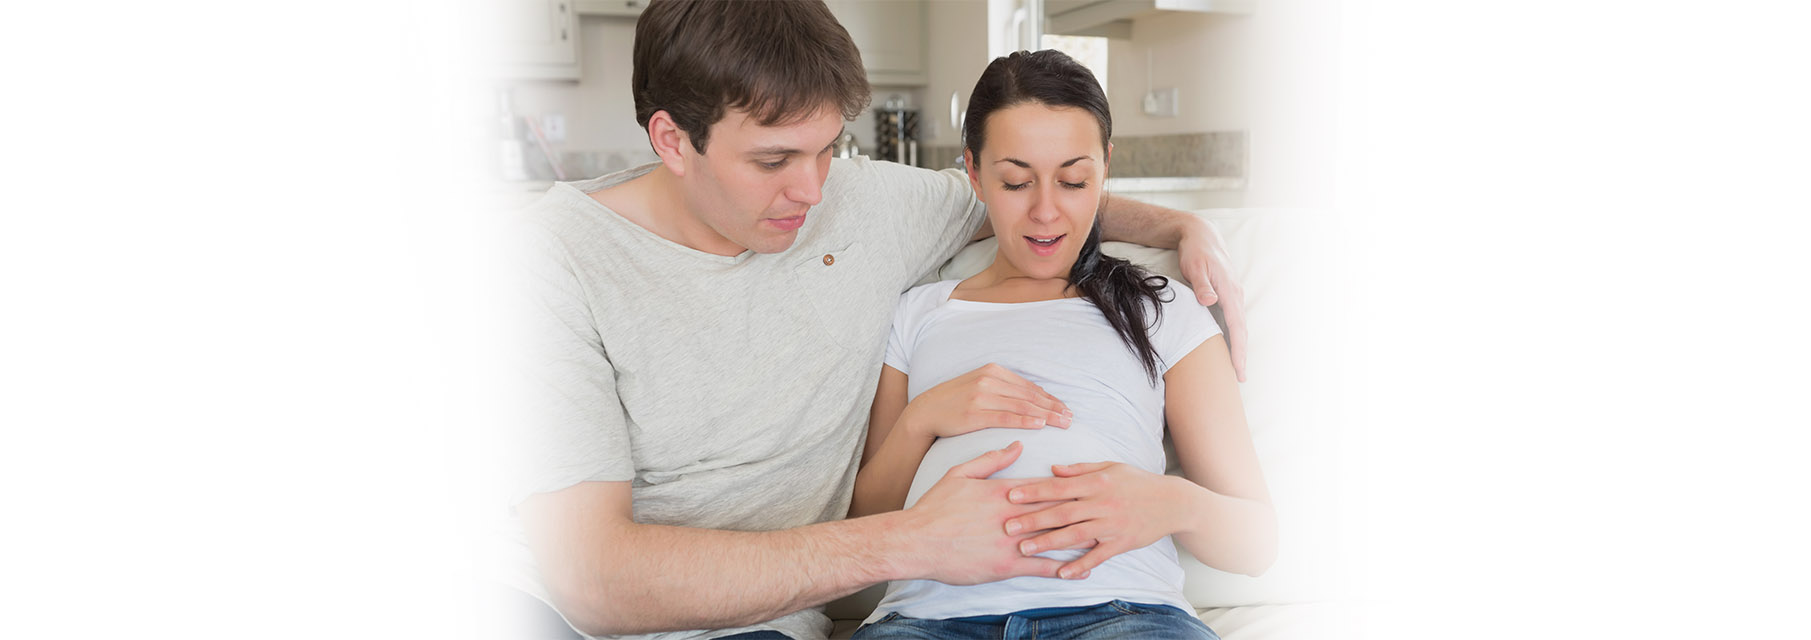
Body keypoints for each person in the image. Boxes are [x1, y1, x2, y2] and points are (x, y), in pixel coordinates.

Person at [507, 2, 1250, 639]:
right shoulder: (557, 259)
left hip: (761, 625)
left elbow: (1034, 201)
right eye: (774, 161)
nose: (812, 190)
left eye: (829, 148)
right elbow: (591, 580)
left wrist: (1184, 225)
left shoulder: (866, 203)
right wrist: (910, 540)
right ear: (672, 140)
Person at [844, 50, 1277, 639]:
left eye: (1074, 181)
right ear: (973, 173)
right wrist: (923, 419)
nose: (1046, 211)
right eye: (1016, 181)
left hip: (1124, 614)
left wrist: (1170, 502)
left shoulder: (1164, 309)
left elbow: (1258, 543)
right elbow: (863, 522)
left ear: (1104, 173)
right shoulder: (918, 312)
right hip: (929, 620)